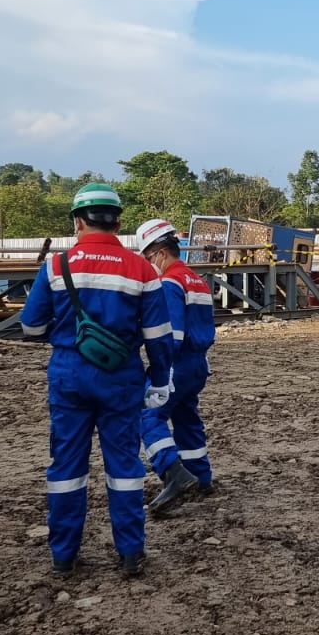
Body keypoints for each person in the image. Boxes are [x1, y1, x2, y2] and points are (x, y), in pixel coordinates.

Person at [19, 183, 174, 578]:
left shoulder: (56, 266)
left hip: (69, 374)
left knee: (67, 465)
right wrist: (159, 380)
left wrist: (66, 333)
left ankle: (64, 556)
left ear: (78, 221)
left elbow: (31, 327)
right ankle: (129, 553)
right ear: (118, 221)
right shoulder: (141, 269)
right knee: (123, 464)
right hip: (121, 377)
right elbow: (158, 335)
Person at [134, 218, 218, 515]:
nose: (147, 264)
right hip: (198, 364)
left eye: (147, 258)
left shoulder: (169, 282)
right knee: (185, 415)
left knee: (147, 415)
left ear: (159, 252)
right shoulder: (197, 280)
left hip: (176, 363)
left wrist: (158, 371)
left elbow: (172, 335)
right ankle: (202, 476)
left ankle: (173, 471)